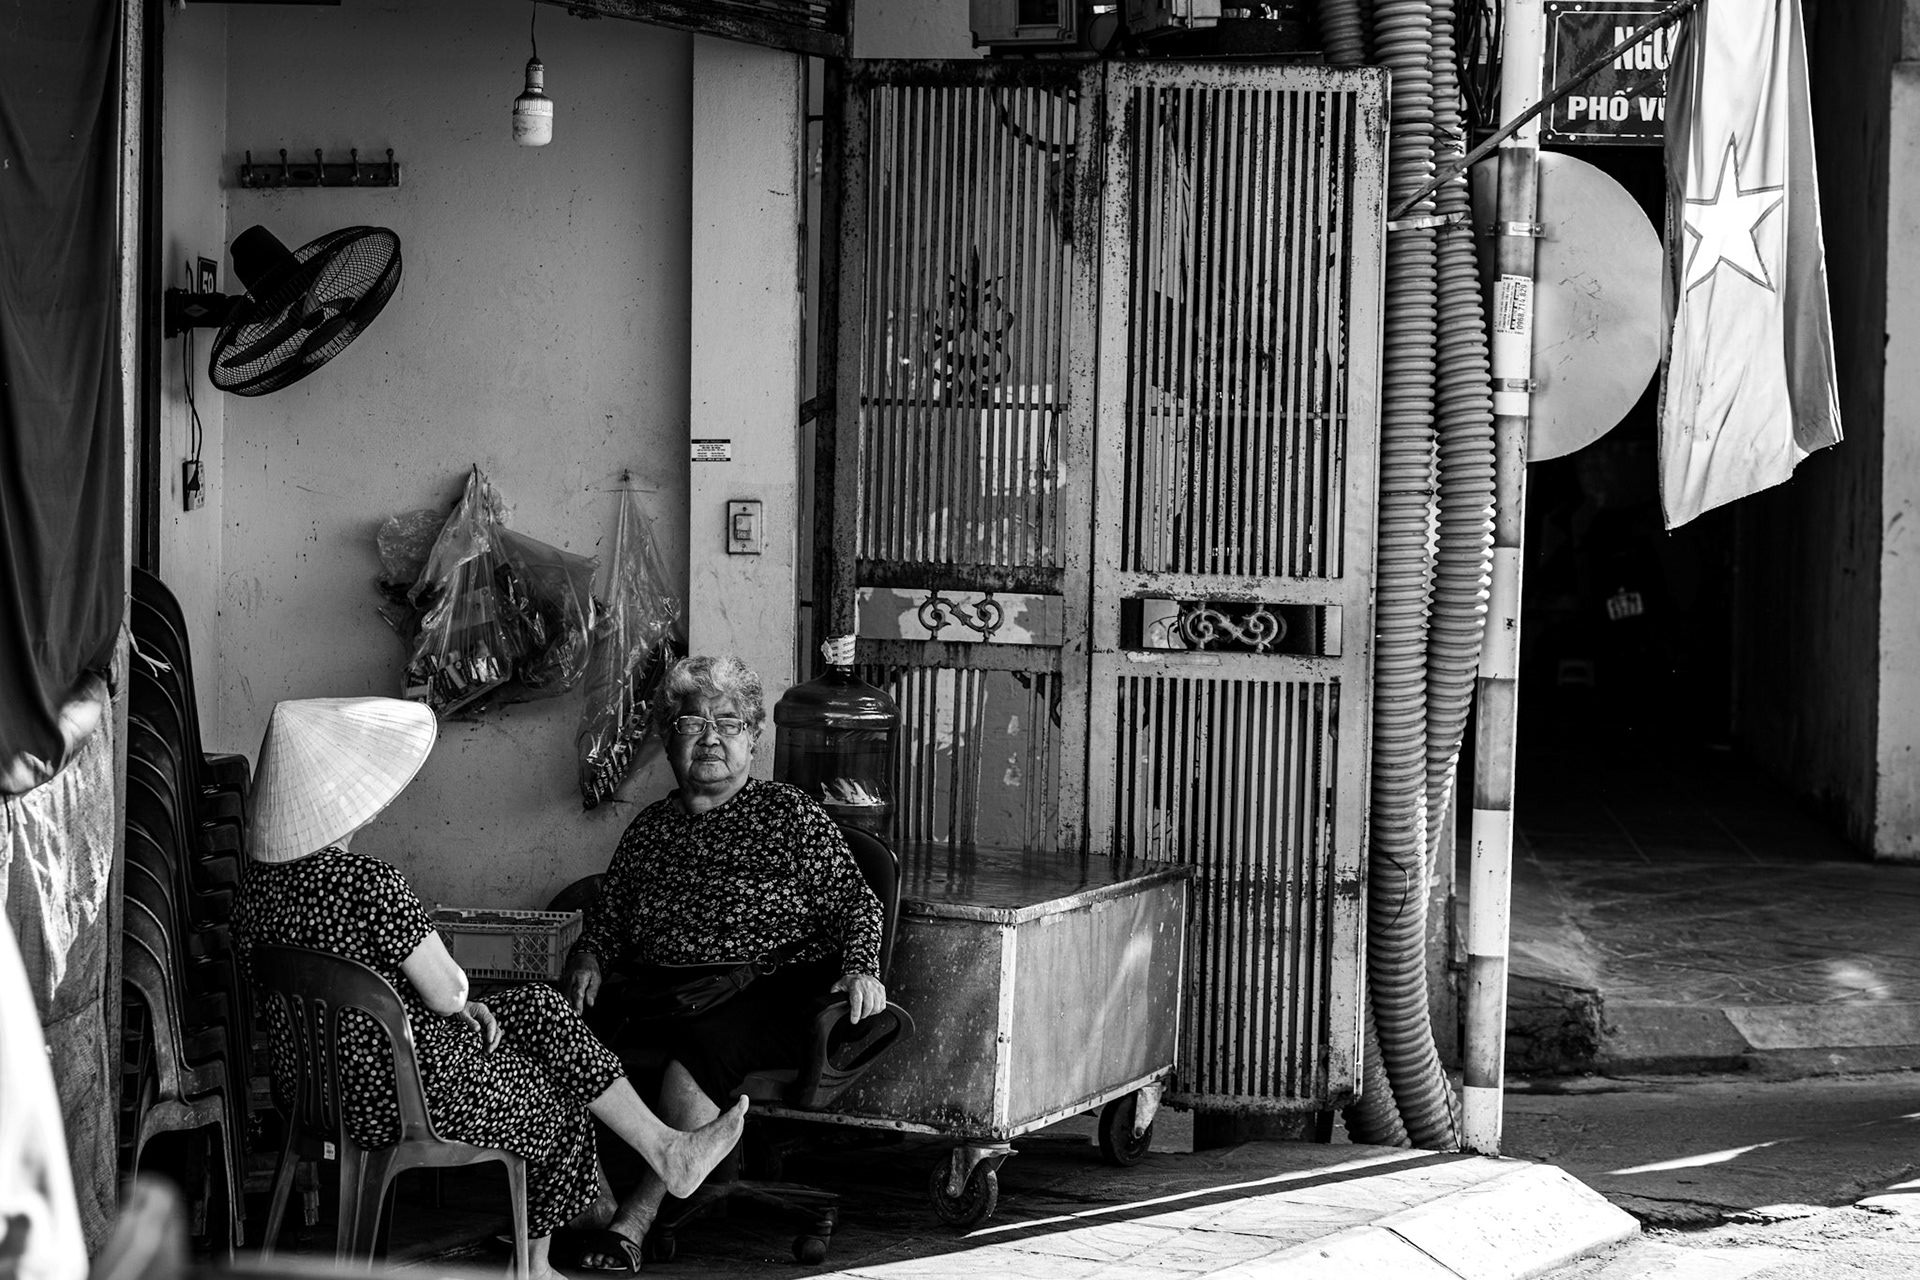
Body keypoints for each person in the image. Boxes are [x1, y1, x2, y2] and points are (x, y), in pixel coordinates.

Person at [232, 696, 745, 1280]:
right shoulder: (366, 882)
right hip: (407, 1097)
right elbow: (447, 993)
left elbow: (339, 988)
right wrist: (457, 1002)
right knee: (555, 1092)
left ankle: (661, 1151)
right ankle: (536, 1263)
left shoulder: (257, 894)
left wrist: (457, 1006)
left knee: (541, 1008)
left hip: (314, 1093)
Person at [559, 655, 885, 1269]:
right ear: (668, 738)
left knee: (700, 1051)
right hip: (665, 991)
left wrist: (862, 966)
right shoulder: (651, 828)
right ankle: (591, 1202)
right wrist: (589, 955)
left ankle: (636, 1219)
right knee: (559, 1030)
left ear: (753, 738)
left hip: (770, 991)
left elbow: (856, 903)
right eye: (691, 725)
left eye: (728, 724)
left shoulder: (788, 815)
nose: (709, 738)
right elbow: (610, 916)